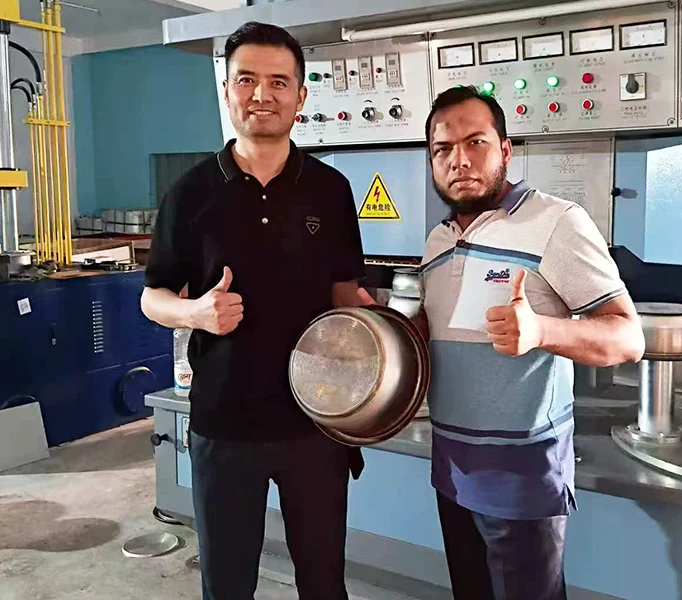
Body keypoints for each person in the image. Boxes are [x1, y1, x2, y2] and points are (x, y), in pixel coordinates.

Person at [140, 22, 368, 600]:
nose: (262, 95)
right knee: (227, 584)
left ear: (301, 96)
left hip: (316, 423)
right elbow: (153, 296)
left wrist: (388, 333)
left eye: (278, 82)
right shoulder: (190, 193)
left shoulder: (330, 190)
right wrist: (196, 313)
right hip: (225, 424)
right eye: (246, 80)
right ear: (226, 90)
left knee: (324, 581)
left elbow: (346, 295)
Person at [416, 86, 645, 600]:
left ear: (505, 149)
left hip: (522, 477)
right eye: (442, 149)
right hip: (451, 470)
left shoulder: (557, 221)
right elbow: (440, 331)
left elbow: (628, 337)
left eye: (475, 143)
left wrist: (542, 331)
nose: (459, 160)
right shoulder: (437, 240)